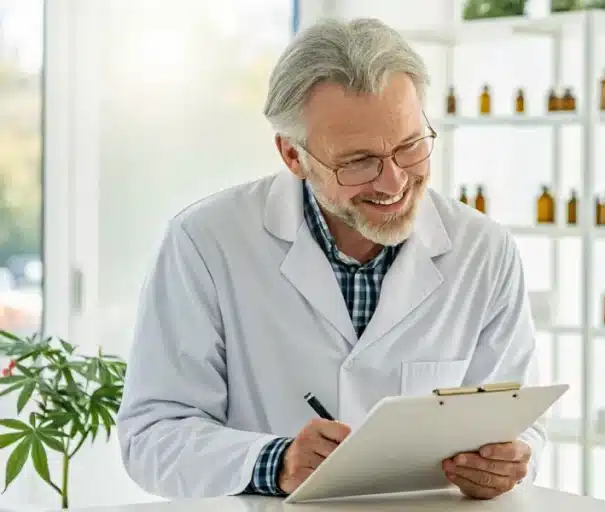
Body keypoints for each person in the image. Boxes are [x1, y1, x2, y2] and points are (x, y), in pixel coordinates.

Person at [116, 18, 543, 500]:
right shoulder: (205, 242)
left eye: (410, 147)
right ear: (293, 155)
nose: (394, 182)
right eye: (359, 161)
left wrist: (506, 459)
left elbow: (519, 420)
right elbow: (152, 435)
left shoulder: (483, 251)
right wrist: (273, 462)